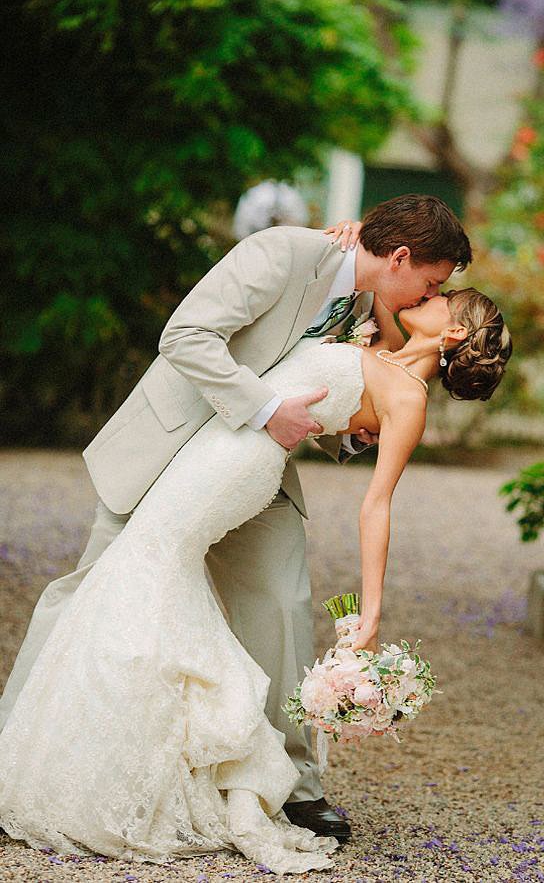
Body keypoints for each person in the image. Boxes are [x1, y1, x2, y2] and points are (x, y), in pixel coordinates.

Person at [0, 195, 473, 846]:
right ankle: (15, 760)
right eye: (431, 281)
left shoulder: (373, 306)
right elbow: (185, 337)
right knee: (89, 593)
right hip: (174, 451)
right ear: (399, 257)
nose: (431, 294)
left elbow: (340, 390)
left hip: (256, 472)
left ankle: (295, 787)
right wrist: (268, 409)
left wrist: (351, 432)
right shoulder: (281, 252)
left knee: (283, 604)